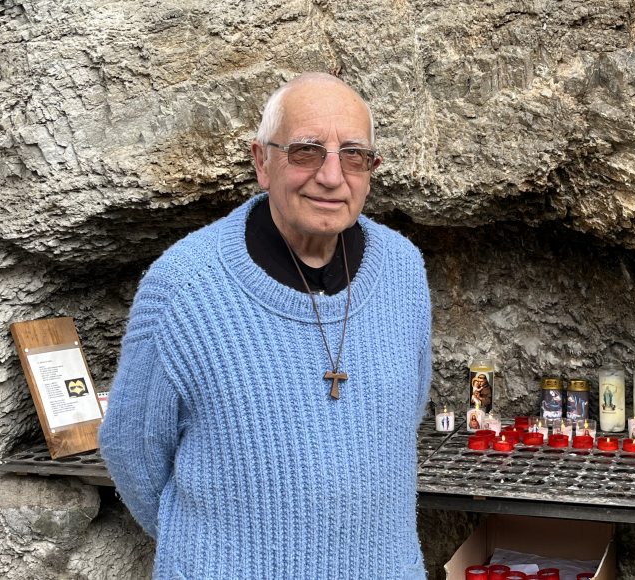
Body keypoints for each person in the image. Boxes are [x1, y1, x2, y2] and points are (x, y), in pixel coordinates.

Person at [99, 73, 432, 579]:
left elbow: (402, 418)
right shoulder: (184, 286)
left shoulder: (404, 269)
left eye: (354, 156)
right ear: (262, 161)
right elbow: (131, 450)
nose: (331, 176)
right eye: (305, 151)